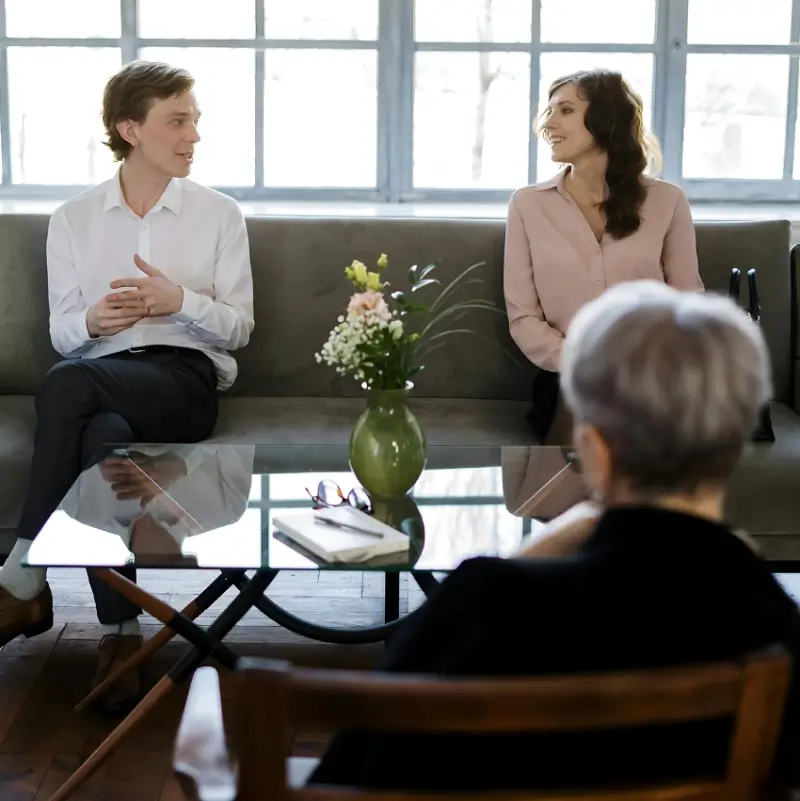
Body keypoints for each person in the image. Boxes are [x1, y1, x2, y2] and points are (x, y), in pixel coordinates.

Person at [301, 281, 800, 792]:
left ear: (595, 449)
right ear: (736, 445)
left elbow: (347, 774)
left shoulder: (485, 603)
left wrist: (531, 551)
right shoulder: (774, 626)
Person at [0, 60, 254, 712]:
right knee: (103, 437)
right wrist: (93, 319)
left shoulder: (219, 214)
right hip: (101, 375)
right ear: (129, 128)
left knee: (67, 384)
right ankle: (120, 634)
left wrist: (179, 301)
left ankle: (23, 565)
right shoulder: (75, 219)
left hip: (184, 381)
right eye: (178, 120)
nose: (193, 134)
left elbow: (238, 328)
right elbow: (64, 330)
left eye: (195, 120)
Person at [504, 69, 704, 446]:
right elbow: (523, 317)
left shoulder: (668, 201)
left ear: (607, 119)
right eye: (548, 112)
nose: (548, 124)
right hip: (567, 378)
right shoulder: (527, 205)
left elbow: (688, 306)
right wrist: (584, 362)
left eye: (564, 111)